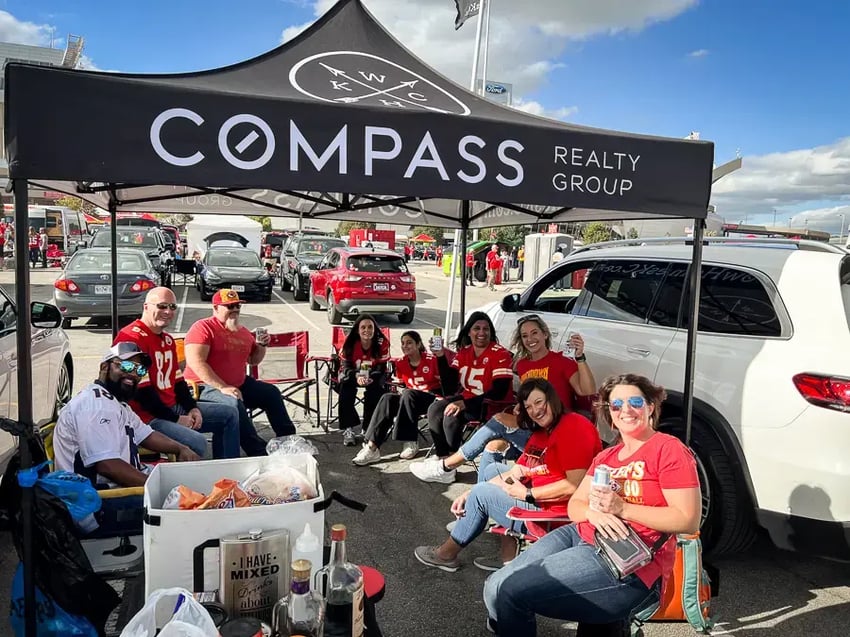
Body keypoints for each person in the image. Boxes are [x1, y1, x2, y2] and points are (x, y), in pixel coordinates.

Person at [484, 373, 701, 636]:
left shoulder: (668, 449)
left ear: (650, 406)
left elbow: (687, 519)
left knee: (512, 591)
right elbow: (576, 505)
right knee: (495, 585)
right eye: (616, 405)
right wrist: (592, 513)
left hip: (627, 556)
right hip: (582, 533)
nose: (626, 410)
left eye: (635, 401)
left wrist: (623, 509)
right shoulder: (607, 456)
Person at [414, 378, 601, 573]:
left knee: (483, 494)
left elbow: (575, 485)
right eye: (528, 407)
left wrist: (528, 493)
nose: (535, 410)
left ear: (552, 399)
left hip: (554, 514)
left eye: (539, 402)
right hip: (536, 497)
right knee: (491, 471)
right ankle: (507, 557)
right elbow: (513, 473)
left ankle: (445, 555)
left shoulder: (573, 426)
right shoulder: (541, 433)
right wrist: (468, 494)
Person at [411, 314, 597, 484]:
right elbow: (529, 398)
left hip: (555, 431)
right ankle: (482, 498)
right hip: (532, 430)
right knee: (493, 446)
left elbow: (586, 390)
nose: (530, 339)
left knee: (498, 420)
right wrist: (519, 406)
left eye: (534, 333)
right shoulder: (523, 365)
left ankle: (446, 466)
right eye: (525, 336)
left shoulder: (561, 361)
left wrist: (580, 358)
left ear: (545, 334)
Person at [113, 287, 241, 460]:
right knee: (197, 442)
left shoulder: (167, 339)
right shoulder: (131, 339)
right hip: (144, 417)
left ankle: (226, 474)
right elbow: (142, 394)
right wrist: (176, 419)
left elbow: (179, 382)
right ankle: (184, 485)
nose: (167, 311)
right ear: (146, 307)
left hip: (170, 407)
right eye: (162, 306)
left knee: (230, 414)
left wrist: (192, 408)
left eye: (172, 307)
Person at [53, 342, 201, 488]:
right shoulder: (95, 406)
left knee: (194, 481)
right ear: (104, 367)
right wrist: (156, 487)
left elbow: (146, 435)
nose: (133, 374)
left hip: (126, 481)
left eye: (140, 370)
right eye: (126, 366)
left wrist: (181, 448)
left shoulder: (116, 402)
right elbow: (107, 466)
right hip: (97, 494)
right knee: (184, 493)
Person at [184, 289, 295, 456]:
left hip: (237, 384)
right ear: (215, 308)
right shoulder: (203, 327)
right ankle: (258, 452)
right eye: (229, 306)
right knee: (233, 402)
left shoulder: (242, 332)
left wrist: (262, 346)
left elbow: (253, 360)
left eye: (237, 306)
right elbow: (196, 362)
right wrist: (222, 387)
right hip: (202, 386)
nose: (234, 310)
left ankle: (289, 442)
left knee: (271, 393)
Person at [410, 312, 512, 484]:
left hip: (491, 404)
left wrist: (465, 403)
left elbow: (500, 391)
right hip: (468, 398)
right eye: (477, 328)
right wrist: (441, 356)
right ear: (468, 332)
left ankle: (449, 464)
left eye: (486, 329)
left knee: (451, 415)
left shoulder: (499, 353)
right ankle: (443, 459)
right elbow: (449, 386)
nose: (482, 332)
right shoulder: (465, 352)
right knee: (435, 409)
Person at [351, 330, 441, 465]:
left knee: (408, 393)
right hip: (409, 399)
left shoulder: (432, 360)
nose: (405, 346)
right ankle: (371, 447)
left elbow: (445, 381)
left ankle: (410, 441)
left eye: (409, 342)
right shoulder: (401, 363)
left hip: (430, 398)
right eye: (403, 343)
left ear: (418, 344)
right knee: (388, 398)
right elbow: (398, 381)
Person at [337, 314, 390, 447]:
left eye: (370, 327)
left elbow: (381, 368)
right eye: (363, 327)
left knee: (376, 391)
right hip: (353, 374)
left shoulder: (382, 342)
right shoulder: (349, 343)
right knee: (346, 388)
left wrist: (369, 377)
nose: (367, 330)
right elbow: (345, 367)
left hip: (374, 374)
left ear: (375, 329)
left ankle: (368, 428)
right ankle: (348, 429)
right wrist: (358, 376)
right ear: (357, 330)